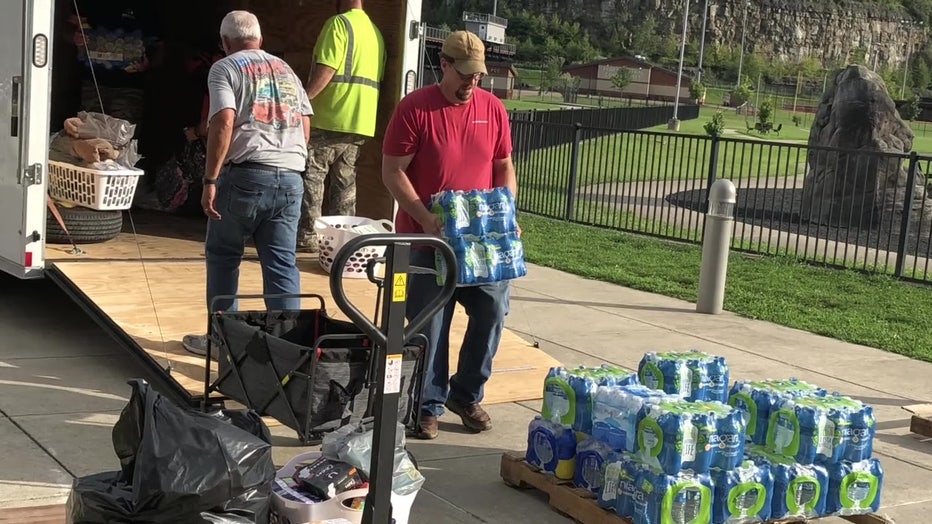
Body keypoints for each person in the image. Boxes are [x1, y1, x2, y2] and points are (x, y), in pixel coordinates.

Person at [381, 30, 518, 440]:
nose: (470, 84)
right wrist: (423, 217)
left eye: (477, 76)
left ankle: (467, 393)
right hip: (427, 241)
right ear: (444, 65)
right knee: (430, 326)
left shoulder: (492, 109)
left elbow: (504, 165)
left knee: (492, 313)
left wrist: (506, 211)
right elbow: (392, 171)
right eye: (464, 75)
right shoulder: (415, 109)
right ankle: (428, 404)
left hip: (480, 244)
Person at [182, 10, 313, 356]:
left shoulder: (225, 67)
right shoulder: (287, 70)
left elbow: (224, 122)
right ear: (260, 39)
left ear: (225, 43)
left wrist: (210, 179)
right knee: (282, 263)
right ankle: (288, 350)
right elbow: (304, 125)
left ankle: (222, 341)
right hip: (291, 178)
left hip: (247, 176)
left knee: (224, 255)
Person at [297, 0, 386, 252]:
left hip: (331, 115)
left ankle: (308, 237)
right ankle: (343, 242)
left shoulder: (339, 23)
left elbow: (327, 68)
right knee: (345, 184)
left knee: (313, 178)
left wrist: (303, 100)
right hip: (361, 121)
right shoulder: (375, 32)